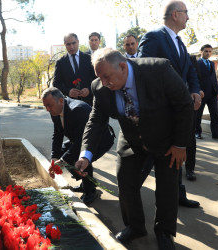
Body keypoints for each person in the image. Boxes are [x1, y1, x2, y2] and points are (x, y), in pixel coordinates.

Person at [75, 48, 194, 249]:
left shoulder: (158, 69)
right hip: (131, 140)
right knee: (126, 182)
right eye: (99, 77)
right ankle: (135, 227)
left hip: (166, 140)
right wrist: (85, 155)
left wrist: (180, 144)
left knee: (167, 188)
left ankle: (164, 232)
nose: (103, 82)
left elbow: (184, 104)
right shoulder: (100, 87)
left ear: (122, 66)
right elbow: (96, 120)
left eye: (106, 76)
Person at [138, 1, 202, 195]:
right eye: (186, 13)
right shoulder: (153, 37)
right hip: (160, 113)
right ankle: (128, 200)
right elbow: (143, 70)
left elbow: (189, 70)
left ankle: (178, 194)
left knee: (176, 155)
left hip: (179, 110)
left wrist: (195, 90)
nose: (188, 17)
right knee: (147, 162)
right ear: (175, 15)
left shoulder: (180, 41)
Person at [42, 87, 114, 206]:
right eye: (45, 106)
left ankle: (90, 191)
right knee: (63, 154)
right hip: (78, 140)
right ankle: (86, 183)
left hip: (98, 141)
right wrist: (54, 159)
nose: (47, 109)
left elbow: (81, 143)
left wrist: (63, 160)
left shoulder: (77, 110)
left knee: (76, 158)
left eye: (49, 105)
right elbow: (58, 134)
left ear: (60, 100)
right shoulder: (55, 110)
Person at [52, 33, 96, 106]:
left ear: (78, 42)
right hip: (70, 105)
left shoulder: (89, 59)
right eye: (68, 44)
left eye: (74, 43)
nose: (71, 47)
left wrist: (89, 89)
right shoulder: (60, 62)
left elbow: (96, 79)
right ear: (65, 44)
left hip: (89, 103)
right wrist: (68, 91)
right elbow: (56, 83)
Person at [195, 44, 218, 140]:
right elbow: (194, 79)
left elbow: (214, 78)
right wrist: (197, 90)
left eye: (210, 51)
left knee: (214, 114)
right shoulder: (196, 63)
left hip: (212, 94)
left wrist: (217, 92)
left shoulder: (211, 63)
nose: (208, 53)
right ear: (201, 51)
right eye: (206, 51)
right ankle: (197, 132)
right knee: (198, 114)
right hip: (201, 93)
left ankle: (216, 134)